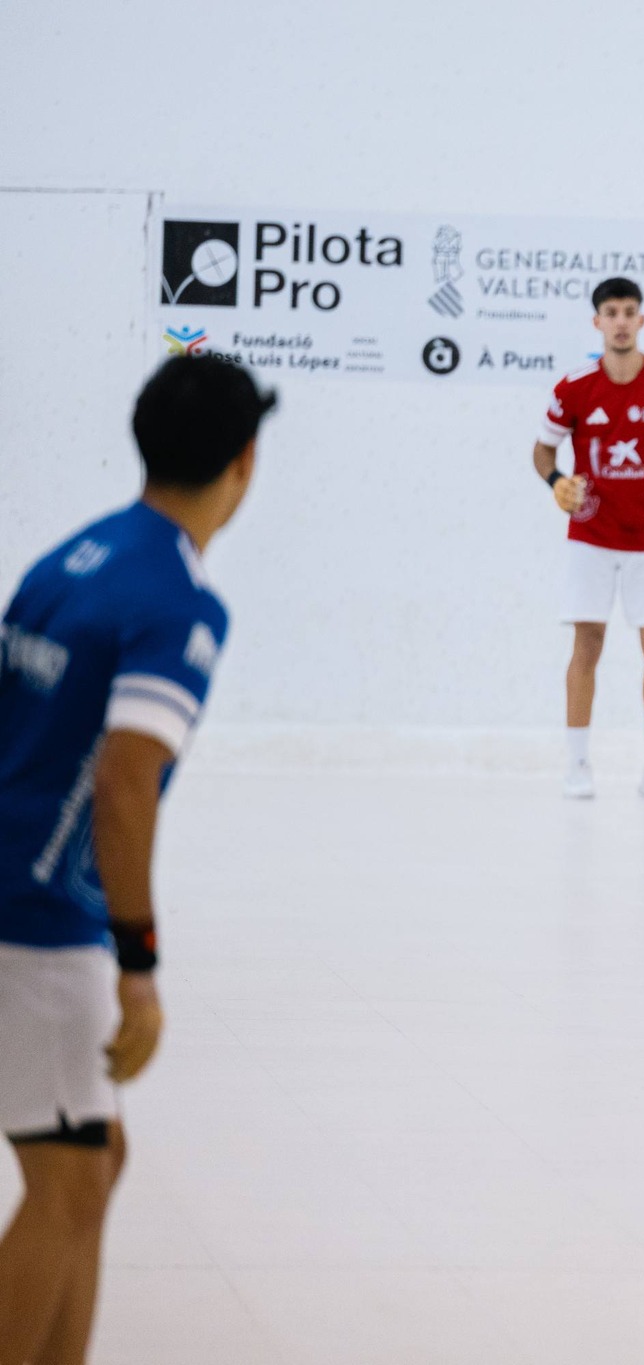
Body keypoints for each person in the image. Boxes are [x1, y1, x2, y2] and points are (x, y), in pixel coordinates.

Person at [0, 355, 272, 1363]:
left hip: (15, 897)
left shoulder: (71, 557)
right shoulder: (178, 603)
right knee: (69, 1179)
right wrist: (139, 962)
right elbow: (124, 782)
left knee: (96, 1157)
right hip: (37, 924)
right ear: (244, 462)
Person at [532, 277, 644, 800]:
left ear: (641, 320)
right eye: (611, 312)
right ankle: (577, 764)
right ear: (597, 322)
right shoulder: (573, 386)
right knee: (587, 642)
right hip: (590, 536)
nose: (620, 321)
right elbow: (542, 451)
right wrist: (556, 480)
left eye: (629, 312)